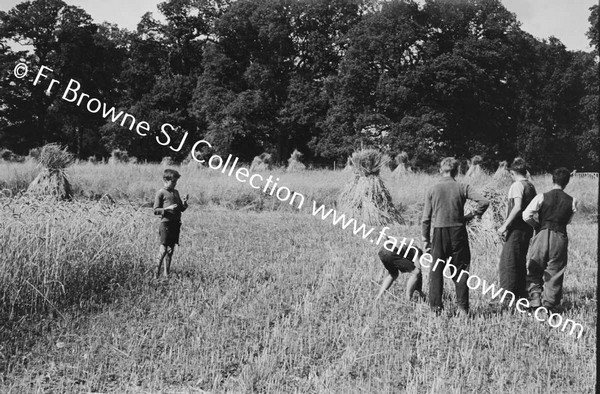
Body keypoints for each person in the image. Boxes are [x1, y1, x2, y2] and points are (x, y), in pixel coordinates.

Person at [421, 157, 489, 315]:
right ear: (457, 171)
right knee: (461, 270)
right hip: (458, 231)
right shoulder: (462, 186)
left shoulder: (432, 189)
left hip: (439, 232)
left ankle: (436, 308)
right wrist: (472, 214)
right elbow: (484, 202)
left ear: (440, 170)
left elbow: (425, 218)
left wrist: (425, 239)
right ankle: (462, 308)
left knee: (436, 271)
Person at [522, 167, 577, 312]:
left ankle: (534, 301)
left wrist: (537, 226)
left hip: (542, 233)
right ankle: (548, 305)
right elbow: (569, 221)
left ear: (553, 179)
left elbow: (526, 215)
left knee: (534, 268)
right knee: (555, 271)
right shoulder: (572, 201)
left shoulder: (542, 196)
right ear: (567, 182)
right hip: (560, 236)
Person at [495, 158, 537, 301]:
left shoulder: (517, 185)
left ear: (512, 173)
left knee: (508, 262)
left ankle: (508, 296)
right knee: (519, 262)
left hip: (516, 228)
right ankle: (520, 294)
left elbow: (517, 206)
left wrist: (504, 226)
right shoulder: (531, 186)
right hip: (527, 229)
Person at [153, 168, 189, 279]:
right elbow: (155, 210)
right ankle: (155, 275)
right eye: (173, 181)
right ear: (165, 180)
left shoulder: (176, 192)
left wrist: (184, 203)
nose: (175, 184)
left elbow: (181, 209)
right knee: (163, 249)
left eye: (176, 182)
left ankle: (166, 274)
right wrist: (166, 209)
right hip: (166, 224)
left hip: (175, 223)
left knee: (170, 250)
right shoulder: (161, 193)